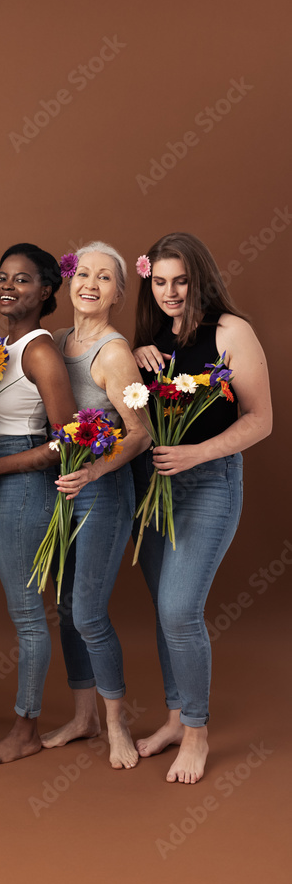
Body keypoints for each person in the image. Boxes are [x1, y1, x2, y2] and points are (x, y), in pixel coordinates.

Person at [131, 232, 272, 783]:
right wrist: (138, 357)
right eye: (160, 281)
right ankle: (173, 717)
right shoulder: (152, 339)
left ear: (201, 279)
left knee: (178, 610)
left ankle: (196, 731)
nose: (170, 292)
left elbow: (261, 419)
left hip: (209, 483)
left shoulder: (231, 332)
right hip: (154, 487)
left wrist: (197, 453)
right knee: (164, 610)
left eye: (181, 281)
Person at [0, 243, 76, 764]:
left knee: (29, 616)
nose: (7, 285)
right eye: (2, 275)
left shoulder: (39, 350)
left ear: (47, 291)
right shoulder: (0, 347)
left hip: (23, 489)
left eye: (23, 279)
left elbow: (68, 441)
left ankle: (26, 729)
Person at [40, 242, 150, 768]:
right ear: (68, 281)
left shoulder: (113, 353)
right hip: (63, 488)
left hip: (101, 491)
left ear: (118, 293)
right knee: (65, 608)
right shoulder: (57, 342)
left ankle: (115, 722)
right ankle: (83, 716)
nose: (90, 284)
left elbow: (140, 434)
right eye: (83, 273)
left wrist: (94, 470)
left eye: (104, 278)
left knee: (87, 612)